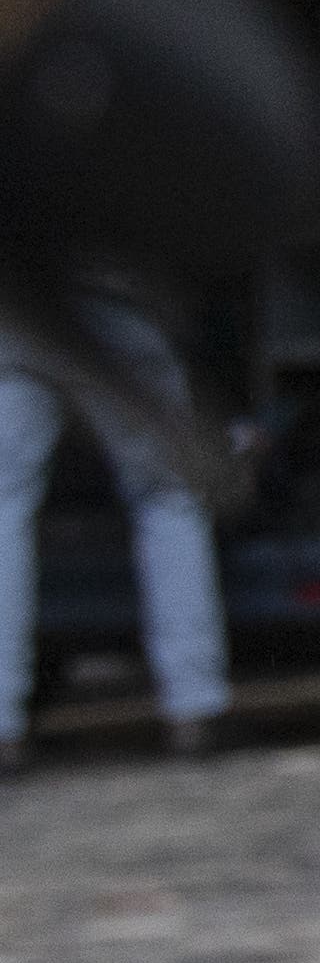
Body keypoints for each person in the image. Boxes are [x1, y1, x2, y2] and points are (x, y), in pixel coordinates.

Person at [0, 275, 234, 769]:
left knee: (4, 506)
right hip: (114, 296)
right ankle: (194, 706)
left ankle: (3, 725)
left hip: (16, 307)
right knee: (168, 497)